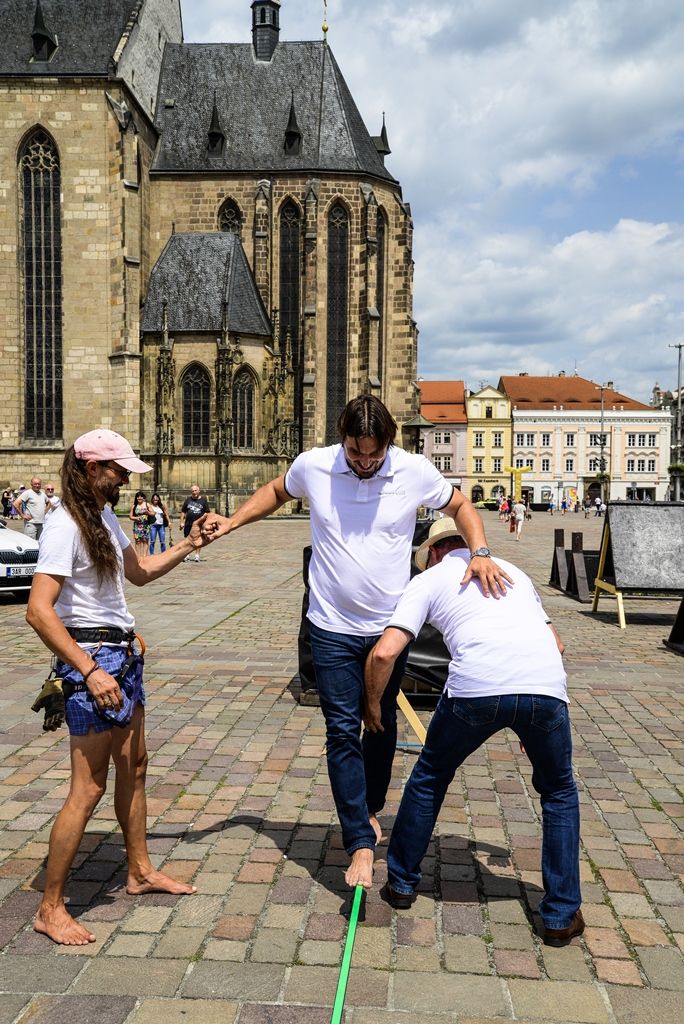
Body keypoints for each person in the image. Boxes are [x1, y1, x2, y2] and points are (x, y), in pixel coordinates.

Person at [203, 395, 511, 889]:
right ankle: (359, 842)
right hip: (330, 626)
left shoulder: (412, 469)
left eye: (374, 454)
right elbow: (276, 491)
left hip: (391, 627)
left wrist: (481, 551)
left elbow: (461, 504)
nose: (365, 463)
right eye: (355, 452)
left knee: (381, 721)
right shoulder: (315, 465)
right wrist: (232, 522)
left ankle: (370, 807)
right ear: (342, 438)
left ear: (388, 442)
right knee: (342, 728)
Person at [26, 428, 213, 946]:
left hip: (122, 655)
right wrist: (88, 668)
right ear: (90, 469)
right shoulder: (65, 524)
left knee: (136, 767)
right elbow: (38, 611)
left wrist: (188, 543)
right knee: (88, 787)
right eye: (118, 471)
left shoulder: (103, 516)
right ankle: (50, 906)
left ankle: (139, 871)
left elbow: (141, 571)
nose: (126, 479)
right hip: (95, 664)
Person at [364, 516, 582, 948]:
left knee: (429, 777)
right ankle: (559, 915)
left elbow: (385, 652)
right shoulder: (512, 572)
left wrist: (372, 704)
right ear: (472, 544)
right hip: (544, 689)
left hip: (475, 690)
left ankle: (402, 884)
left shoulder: (427, 580)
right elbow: (556, 645)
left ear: (432, 552)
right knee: (558, 792)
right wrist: (532, 713)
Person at [180, 484, 210, 563]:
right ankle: (187, 554)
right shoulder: (188, 500)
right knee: (187, 539)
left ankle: (197, 555)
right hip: (188, 523)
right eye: (192, 491)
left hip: (199, 524)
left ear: (199, 491)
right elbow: (183, 511)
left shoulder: (203, 500)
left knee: (198, 540)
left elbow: (207, 513)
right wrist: (181, 522)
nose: (194, 492)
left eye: (195, 490)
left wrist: (205, 524)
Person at [129, 490, 155, 559]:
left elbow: (153, 513)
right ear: (136, 498)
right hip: (137, 526)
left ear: (143, 498)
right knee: (137, 541)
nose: (139, 498)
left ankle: (144, 556)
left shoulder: (147, 504)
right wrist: (136, 518)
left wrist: (148, 512)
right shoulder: (134, 506)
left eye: (141, 497)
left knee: (145, 540)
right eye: (138, 497)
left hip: (146, 526)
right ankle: (138, 557)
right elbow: (130, 516)